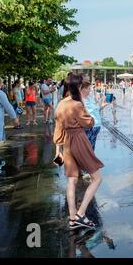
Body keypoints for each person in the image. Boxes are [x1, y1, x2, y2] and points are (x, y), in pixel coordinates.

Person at [53, 74, 104, 230]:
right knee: (97, 178)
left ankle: (72, 217)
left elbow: (57, 129)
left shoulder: (61, 104)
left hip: (67, 143)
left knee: (71, 180)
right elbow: (89, 123)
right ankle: (81, 214)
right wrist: (91, 116)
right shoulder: (77, 104)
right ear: (77, 87)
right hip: (79, 140)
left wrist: (58, 149)